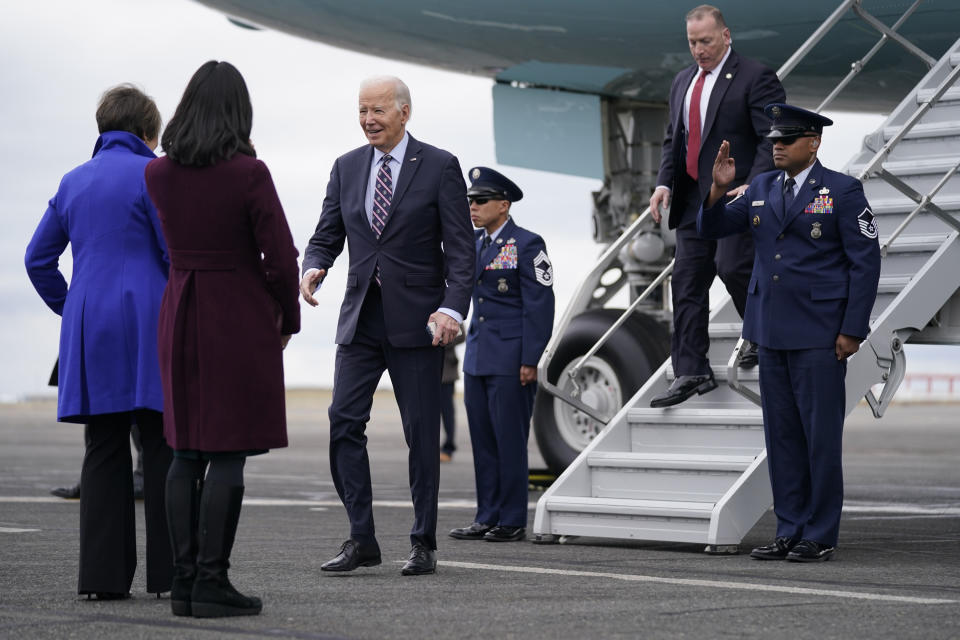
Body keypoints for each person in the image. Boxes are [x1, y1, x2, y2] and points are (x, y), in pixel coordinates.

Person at [301, 75, 475, 576]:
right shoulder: (346, 167)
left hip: (419, 323)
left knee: (421, 435)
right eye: (362, 110)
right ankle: (362, 537)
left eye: (378, 110)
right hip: (360, 319)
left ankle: (423, 541)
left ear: (404, 112)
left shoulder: (440, 166)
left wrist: (451, 308)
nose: (369, 120)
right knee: (343, 422)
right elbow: (326, 234)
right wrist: (315, 265)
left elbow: (461, 251)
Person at [145, 61, 301, 617]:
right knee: (228, 449)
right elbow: (281, 258)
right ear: (239, 111)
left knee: (184, 449)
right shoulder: (248, 173)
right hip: (234, 312)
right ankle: (213, 580)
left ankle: (185, 584)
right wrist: (286, 317)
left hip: (180, 308)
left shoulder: (157, 173)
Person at [698, 103, 881, 562]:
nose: (776, 146)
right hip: (770, 331)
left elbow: (866, 261)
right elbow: (712, 227)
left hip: (820, 334)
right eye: (773, 140)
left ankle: (818, 534)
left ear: (813, 142)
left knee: (818, 438)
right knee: (781, 438)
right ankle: (789, 529)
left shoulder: (842, 190)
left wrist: (852, 329)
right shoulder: (759, 187)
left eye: (786, 140)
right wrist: (718, 189)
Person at [24, 84, 173, 599]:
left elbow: (36, 259)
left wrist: (69, 307)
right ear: (148, 131)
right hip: (151, 318)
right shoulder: (155, 174)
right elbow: (172, 252)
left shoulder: (73, 181)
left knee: (103, 446)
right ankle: (168, 577)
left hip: (90, 322)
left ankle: (102, 580)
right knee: (161, 444)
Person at [649, 4, 785, 408]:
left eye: (706, 41)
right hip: (693, 199)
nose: (699, 50)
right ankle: (691, 370)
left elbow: (772, 138)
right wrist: (662, 183)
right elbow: (674, 139)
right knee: (687, 282)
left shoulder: (754, 76)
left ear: (726, 36)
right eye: (692, 42)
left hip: (736, 196)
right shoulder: (682, 82)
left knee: (733, 265)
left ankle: (763, 334)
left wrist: (753, 183)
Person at [449, 168, 555, 543]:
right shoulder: (475, 244)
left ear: (503, 205)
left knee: (509, 439)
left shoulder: (527, 244)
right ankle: (486, 515)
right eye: (470, 201)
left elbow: (539, 306)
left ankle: (510, 520)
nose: (472, 207)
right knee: (483, 441)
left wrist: (530, 359)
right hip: (478, 357)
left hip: (512, 359)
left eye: (480, 201)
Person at [439, 335, 464, 463]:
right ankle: (429, 449)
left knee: (447, 412)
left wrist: (439, 340)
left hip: (446, 372)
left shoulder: (452, 313)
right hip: (424, 369)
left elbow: (461, 335)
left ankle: (448, 448)